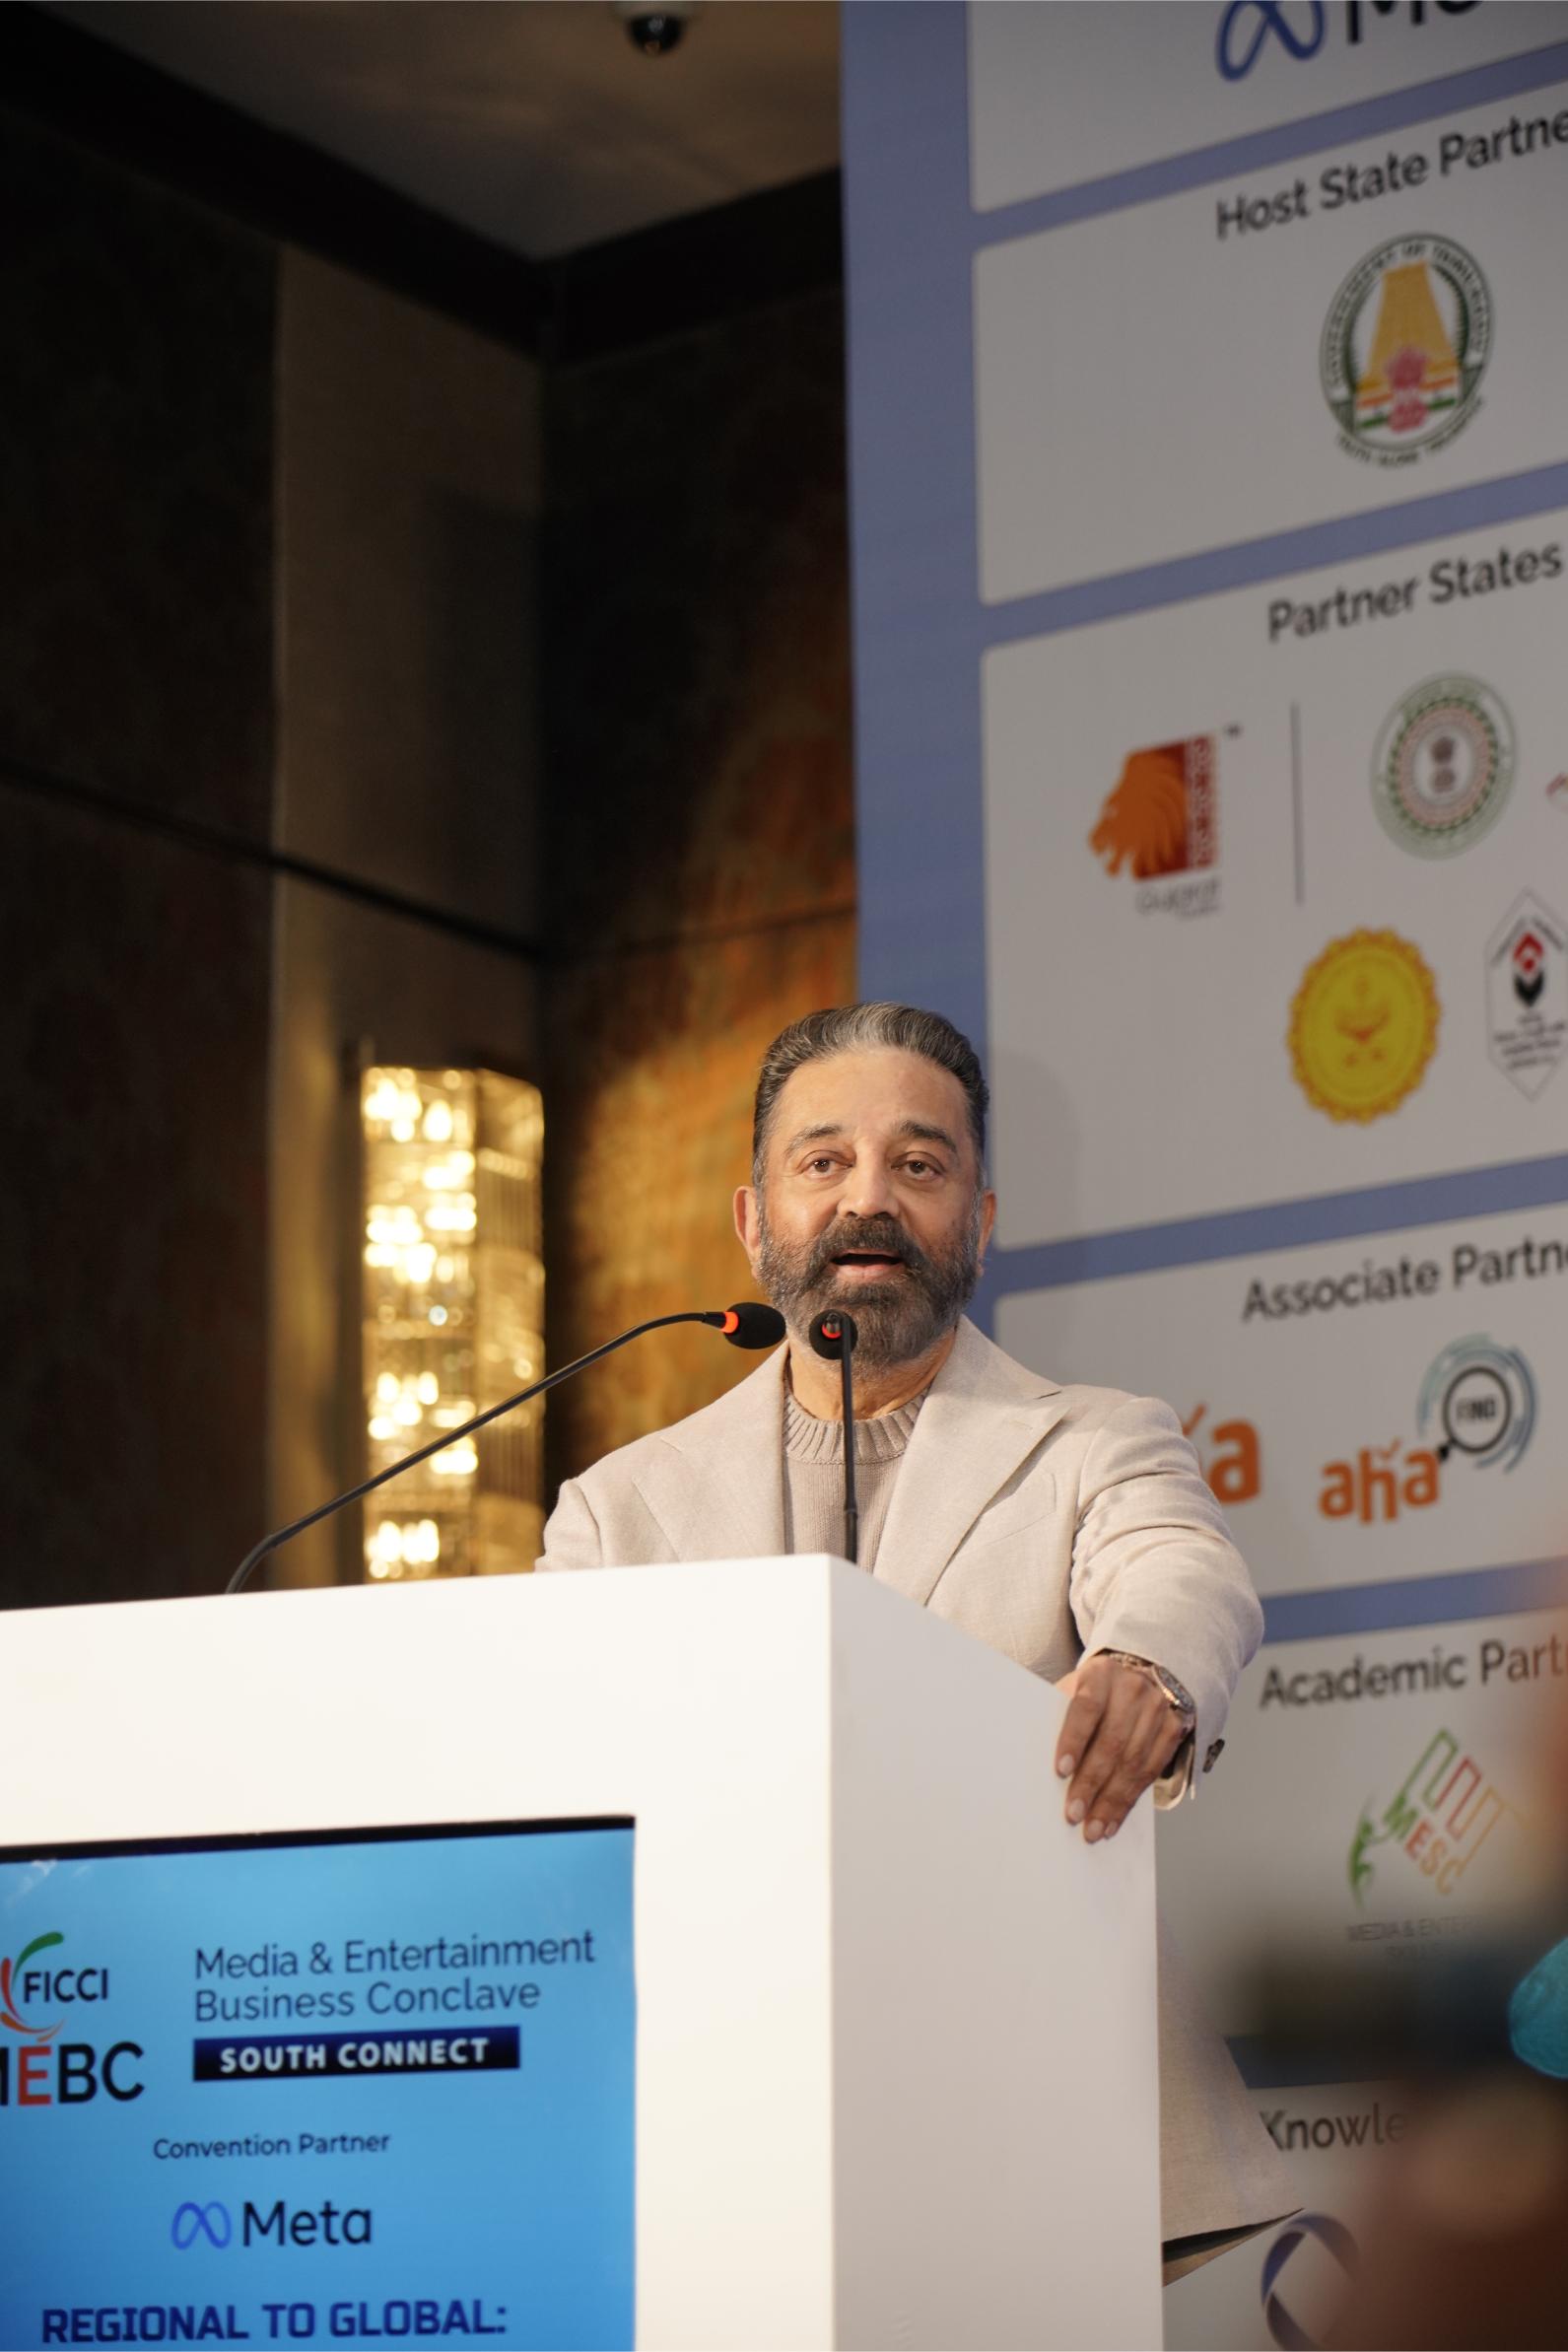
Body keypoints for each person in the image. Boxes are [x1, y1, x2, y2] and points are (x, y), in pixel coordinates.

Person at [538, 1000, 1298, 2274]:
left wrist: (1147, 1665)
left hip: (1031, 2120)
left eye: (919, 1163)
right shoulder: (619, 1508)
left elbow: (1182, 1568)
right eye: (823, 1160)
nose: (868, 1199)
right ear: (754, 1221)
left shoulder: (1094, 1439)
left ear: (979, 1222)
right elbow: (544, 1755)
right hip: (720, 2131)